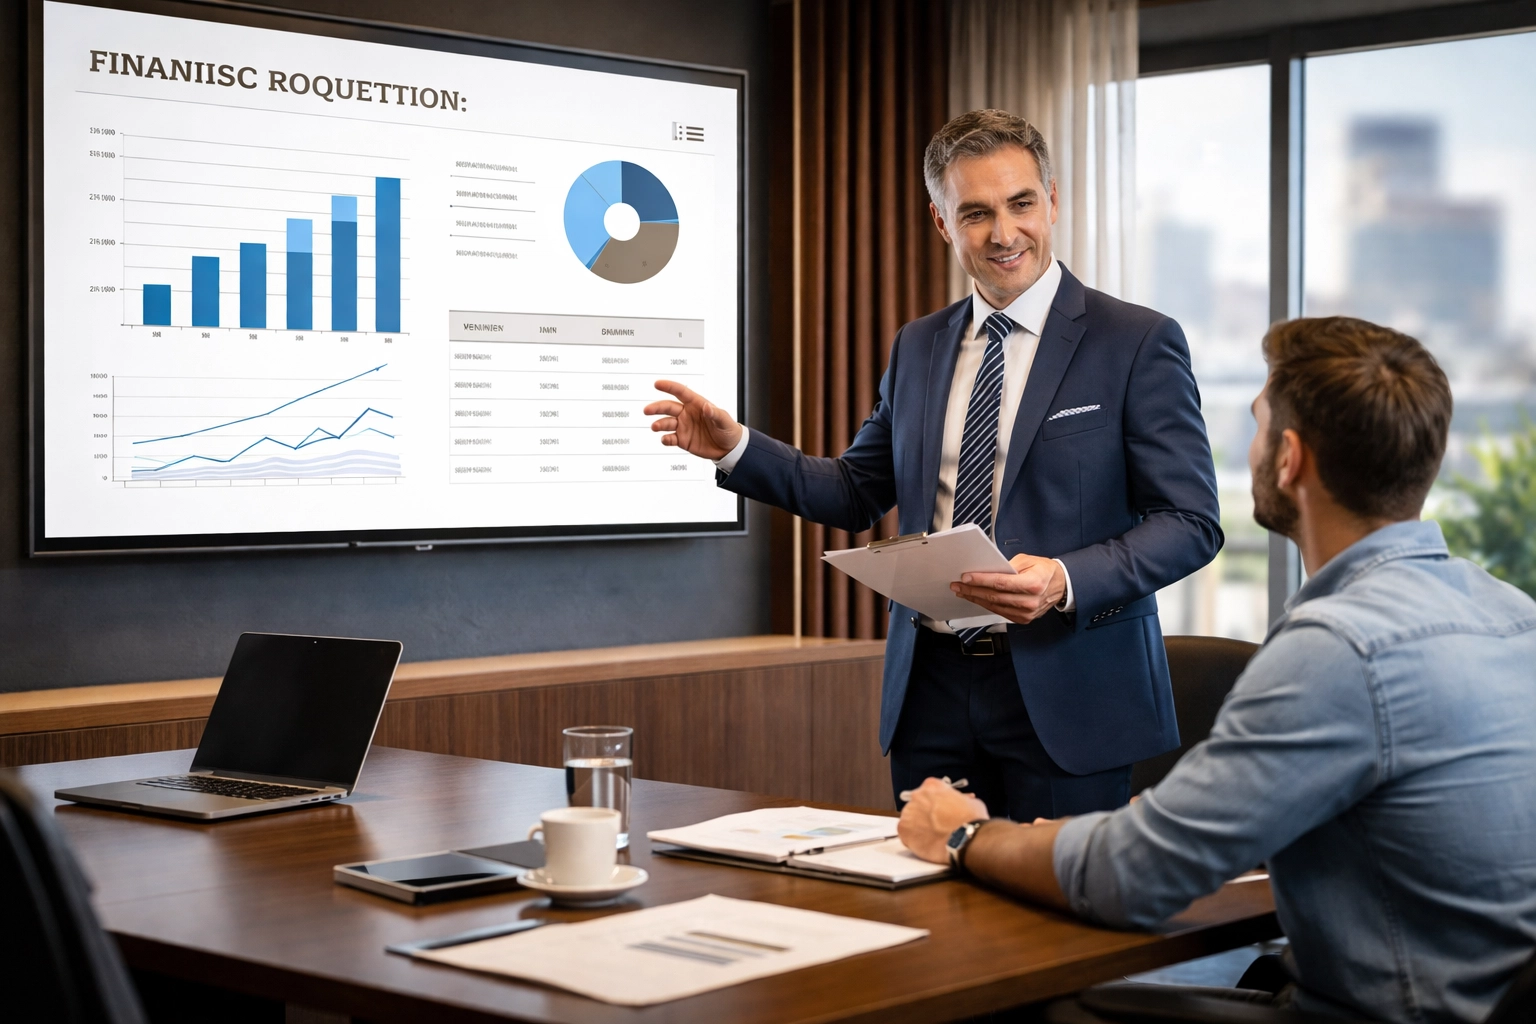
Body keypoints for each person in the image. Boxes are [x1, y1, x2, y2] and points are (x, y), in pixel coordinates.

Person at [897, 316, 1536, 1023]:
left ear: (1288, 459)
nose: (1250, 444)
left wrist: (964, 834)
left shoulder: (1337, 648)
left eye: (1258, 424)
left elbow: (1133, 879)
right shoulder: (1511, 613)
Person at [645, 108, 1221, 823]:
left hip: (1073, 693)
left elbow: (1190, 521)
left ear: (1053, 201)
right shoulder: (918, 346)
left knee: (1061, 921)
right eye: (976, 213)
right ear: (943, 223)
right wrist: (736, 447)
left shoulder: (1136, 341)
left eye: (1021, 204)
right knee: (933, 912)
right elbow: (857, 491)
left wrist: (1065, 579)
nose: (1004, 234)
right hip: (931, 695)